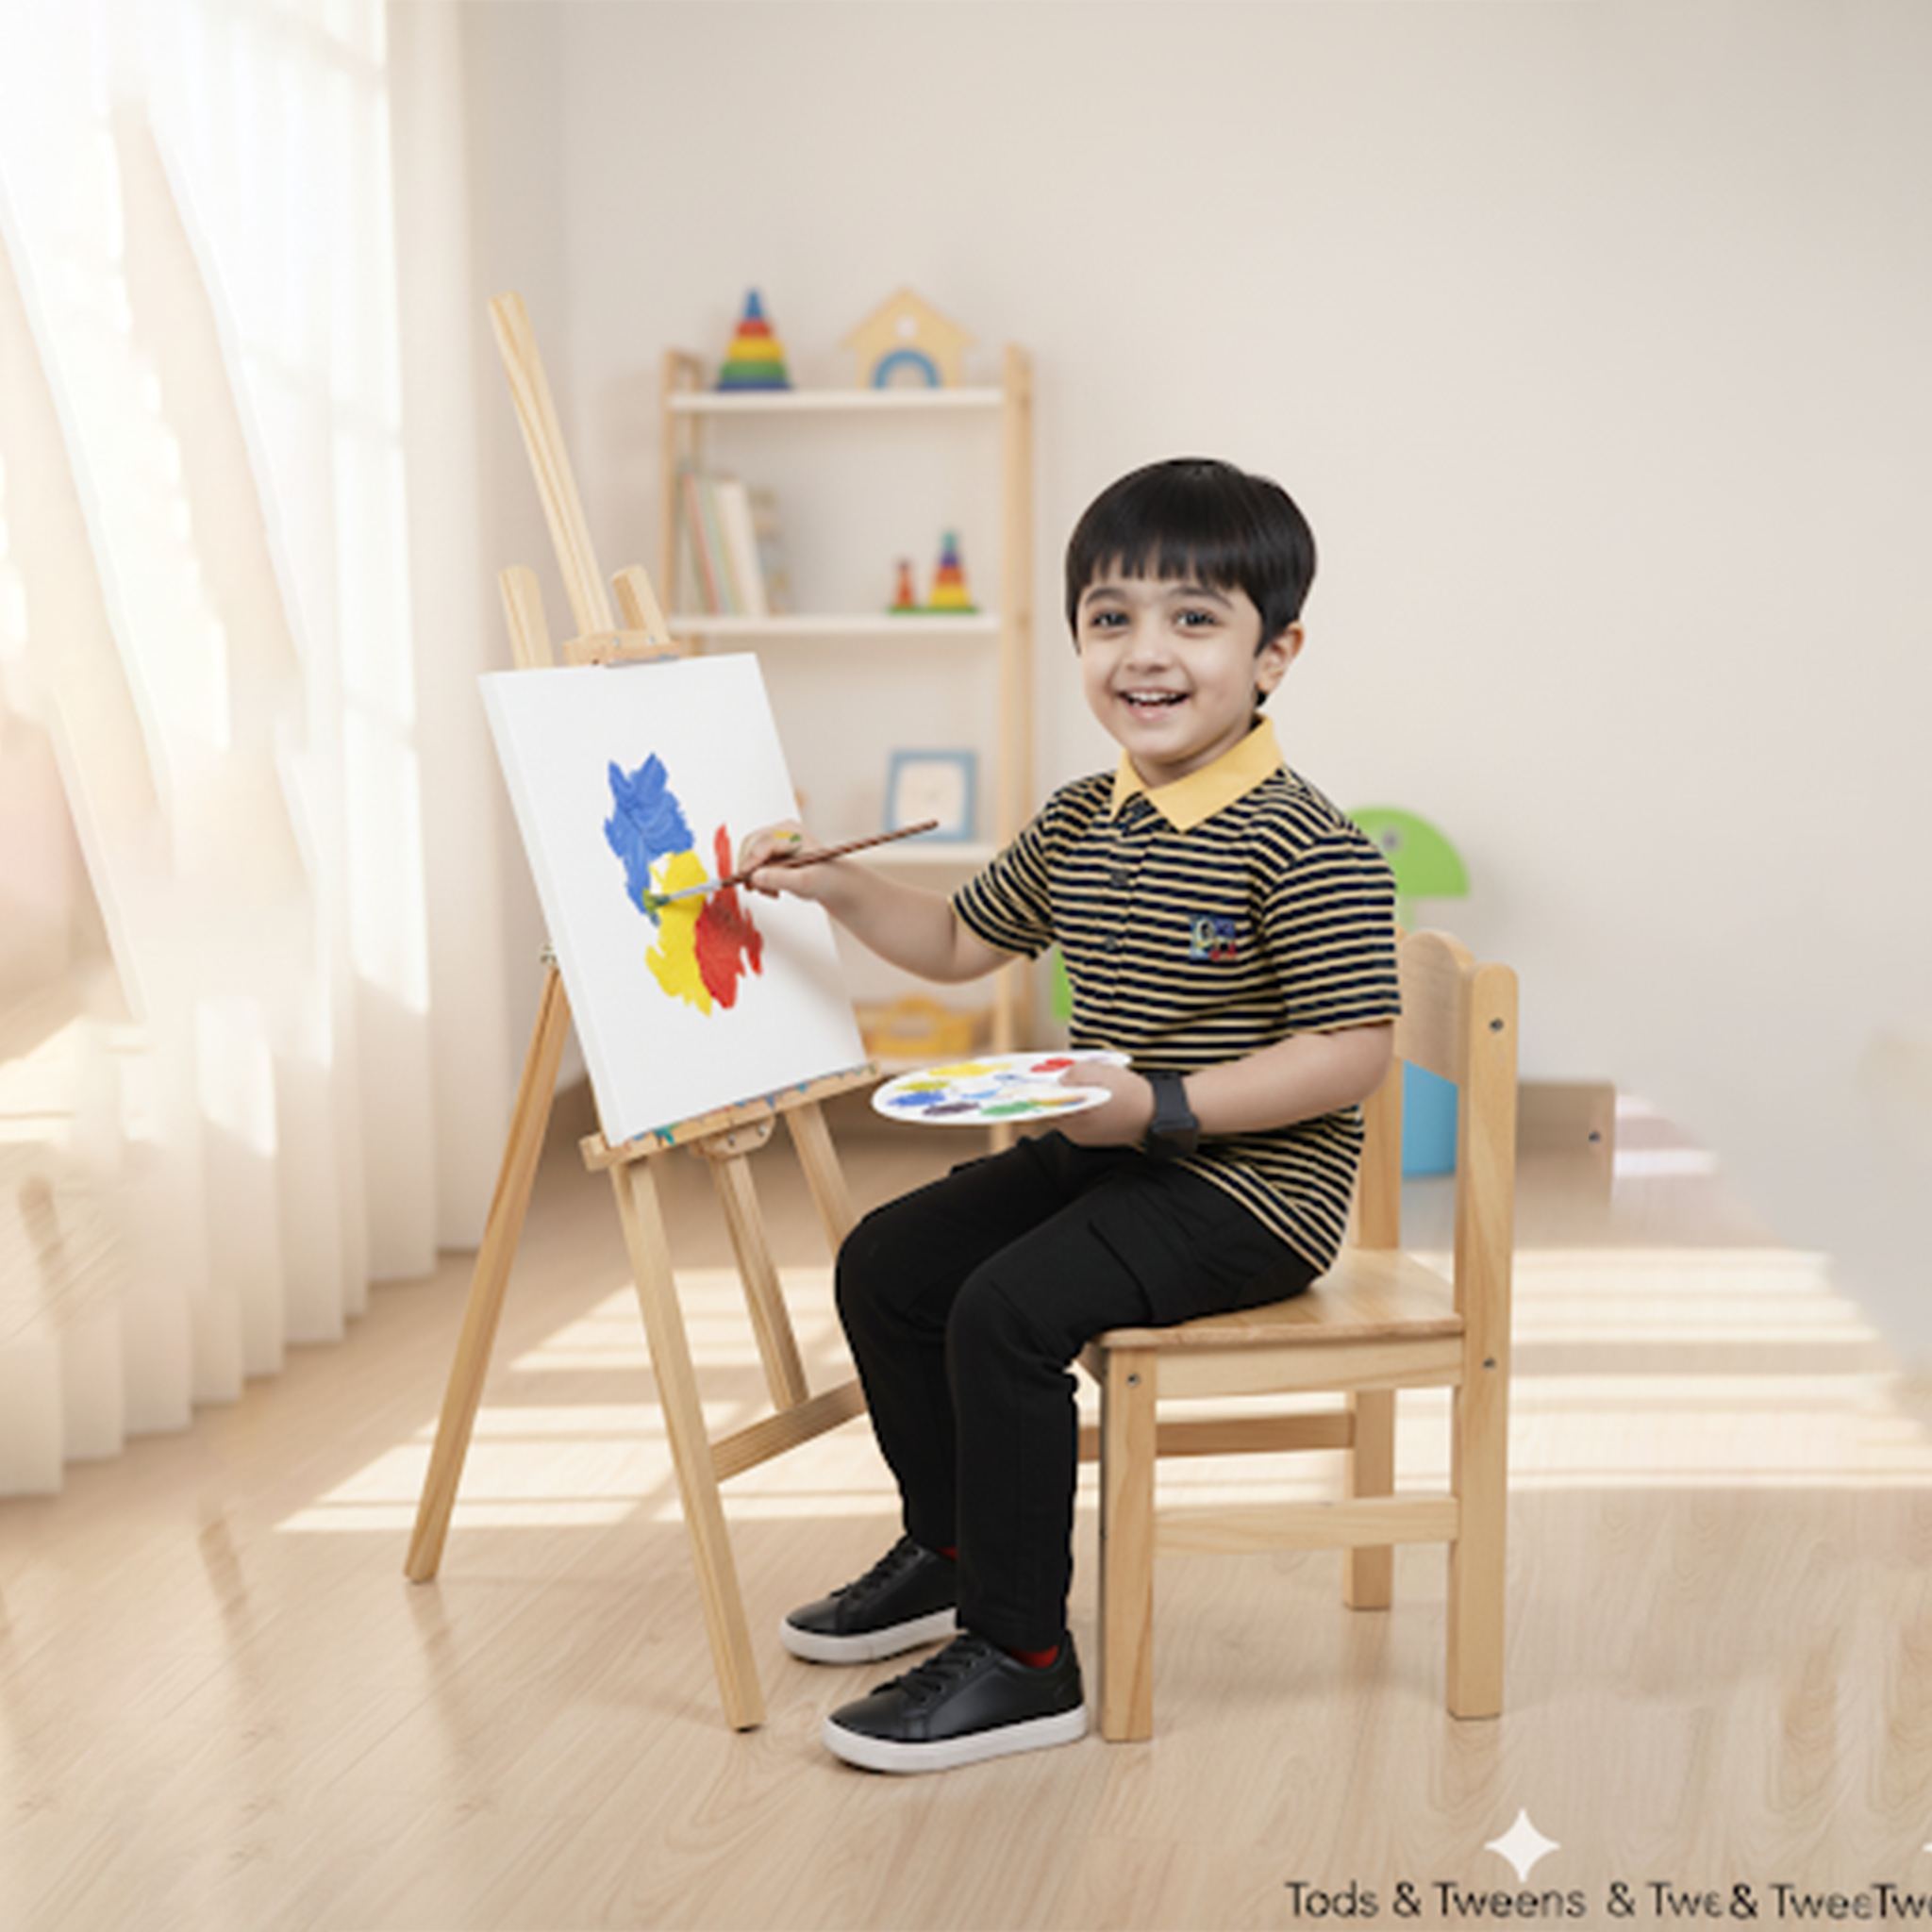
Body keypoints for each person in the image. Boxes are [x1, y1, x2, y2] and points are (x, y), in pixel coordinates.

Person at [738, 457, 1400, 1774]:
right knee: (888, 1264)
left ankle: (1026, 1656)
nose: (1144, 654)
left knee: (1006, 1312)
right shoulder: (1080, 820)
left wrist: (1164, 1104)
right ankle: (956, 1545)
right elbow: (954, 943)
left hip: (1251, 1196)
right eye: (1111, 619)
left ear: (1276, 654)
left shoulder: (1307, 844)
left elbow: (1351, 1053)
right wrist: (829, 889)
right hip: (1117, 1148)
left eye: (1193, 620)